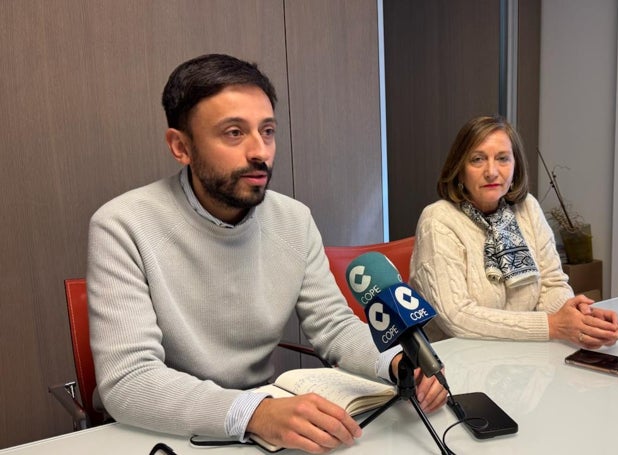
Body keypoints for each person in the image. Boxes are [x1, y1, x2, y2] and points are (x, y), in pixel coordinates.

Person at [86, 53, 447, 453]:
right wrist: (254, 412)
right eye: (234, 133)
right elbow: (128, 381)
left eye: (268, 131)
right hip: (161, 433)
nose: (261, 152)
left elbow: (334, 326)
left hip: (259, 428)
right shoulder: (122, 225)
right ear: (181, 146)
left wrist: (398, 362)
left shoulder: (293, 219)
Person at [410, 115, 618, 349]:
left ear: (515, 167)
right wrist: (552, 326)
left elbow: (551, 285)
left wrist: (578, 316)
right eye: (478, 159)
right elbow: (456, 317)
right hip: (457, 361)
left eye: (502, 159)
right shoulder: (437, 219)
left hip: (521, 353)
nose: (491, 171)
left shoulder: (527, 207)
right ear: (459, 170)